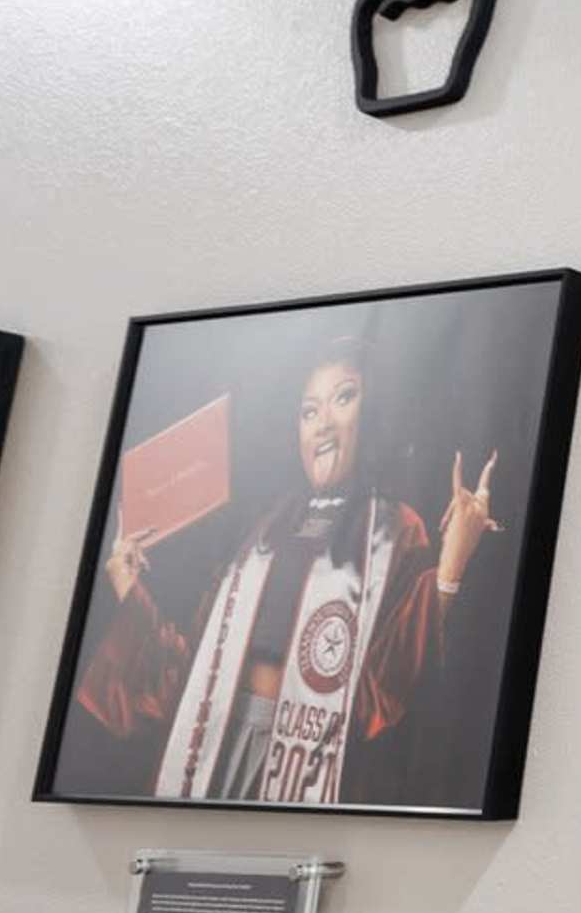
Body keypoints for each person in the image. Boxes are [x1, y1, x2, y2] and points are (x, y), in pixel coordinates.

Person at [71, 344, 499, 805]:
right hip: (219, 740)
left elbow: (390, 678)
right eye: (308, 410)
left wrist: (453, 562)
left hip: (315, 757)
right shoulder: (265, 529)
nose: (324, 422)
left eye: (344, 398)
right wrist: (127, 584)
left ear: (370, 413)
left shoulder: (396, 530)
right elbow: (188, 667)